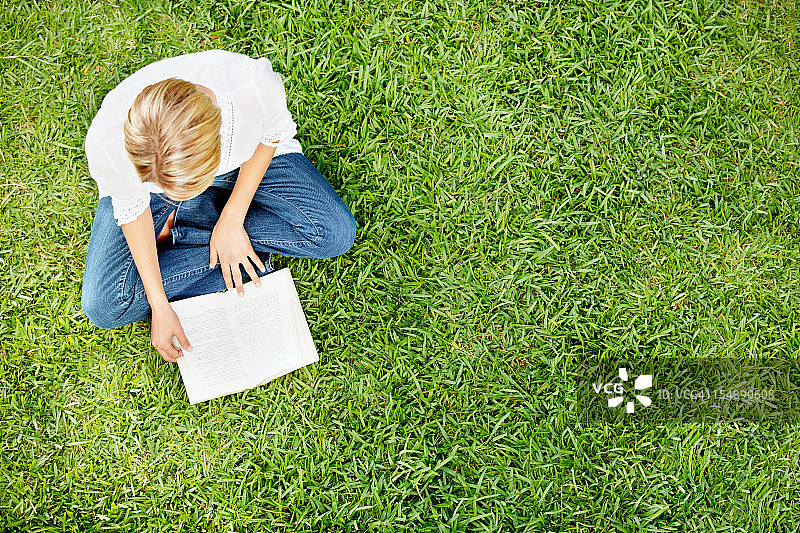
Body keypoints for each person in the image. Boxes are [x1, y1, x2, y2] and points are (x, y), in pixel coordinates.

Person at [81, 50, 357, 363]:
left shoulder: (251, 88)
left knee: (334, 233)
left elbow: (270, 136)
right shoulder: (108, 144)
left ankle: (198, 224)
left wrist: (232, 218)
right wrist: (159, 304)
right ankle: (226, 245)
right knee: (104, 305)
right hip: (154, 181)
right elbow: (132, 208)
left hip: (245, 161)